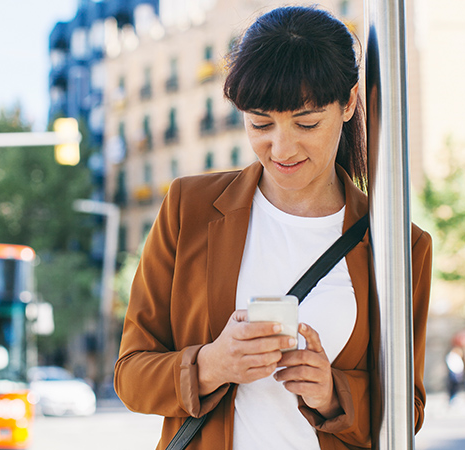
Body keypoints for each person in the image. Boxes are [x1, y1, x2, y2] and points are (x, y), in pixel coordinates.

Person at [114, 6, 432, 450]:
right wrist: (211, 364)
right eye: (260, 123)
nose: (281, 147)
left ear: (349, 103)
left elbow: (406, 411)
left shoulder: (401, 245)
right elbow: (130, 375)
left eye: (307, 123)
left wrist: (329, 392)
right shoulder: (189, 209)